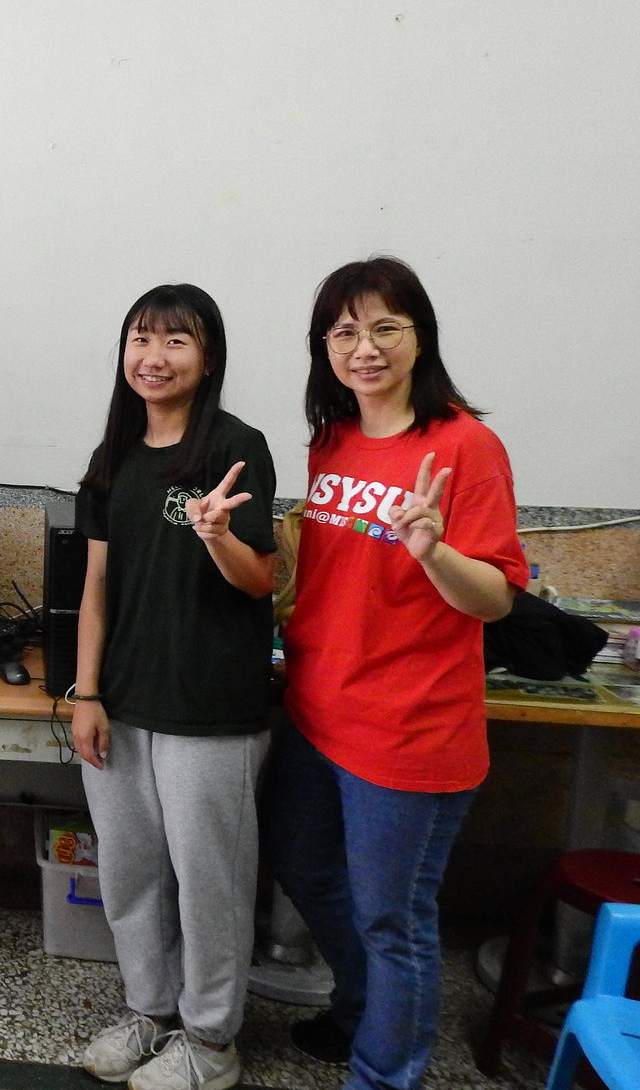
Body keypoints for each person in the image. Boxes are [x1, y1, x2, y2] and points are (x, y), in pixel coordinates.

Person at [262, 257, 525, 1090]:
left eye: (385, 328)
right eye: (345, 332)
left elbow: (495, 599)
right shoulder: (332, 437)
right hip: (316, 706)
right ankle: (363, 1006)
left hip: (409, 728)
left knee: (393, 919)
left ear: (420, 336)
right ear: (324, 348)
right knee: (301, 864)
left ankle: (384, 1073)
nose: (364, 347)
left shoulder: (463, 445)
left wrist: (435, 551)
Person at [69, 285, 277, 1090]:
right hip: (122, 700)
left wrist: (218, 534)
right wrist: (86, 694)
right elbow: (95, 587)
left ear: (209, 356)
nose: (153, 357)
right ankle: (150, 1012)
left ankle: (212, 1040)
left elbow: (259, 580)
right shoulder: (113, 456)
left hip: (208, 708)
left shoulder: (236, 447)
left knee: (210, 880)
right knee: (129, 873)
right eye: (140, 339)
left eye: (176, 342)